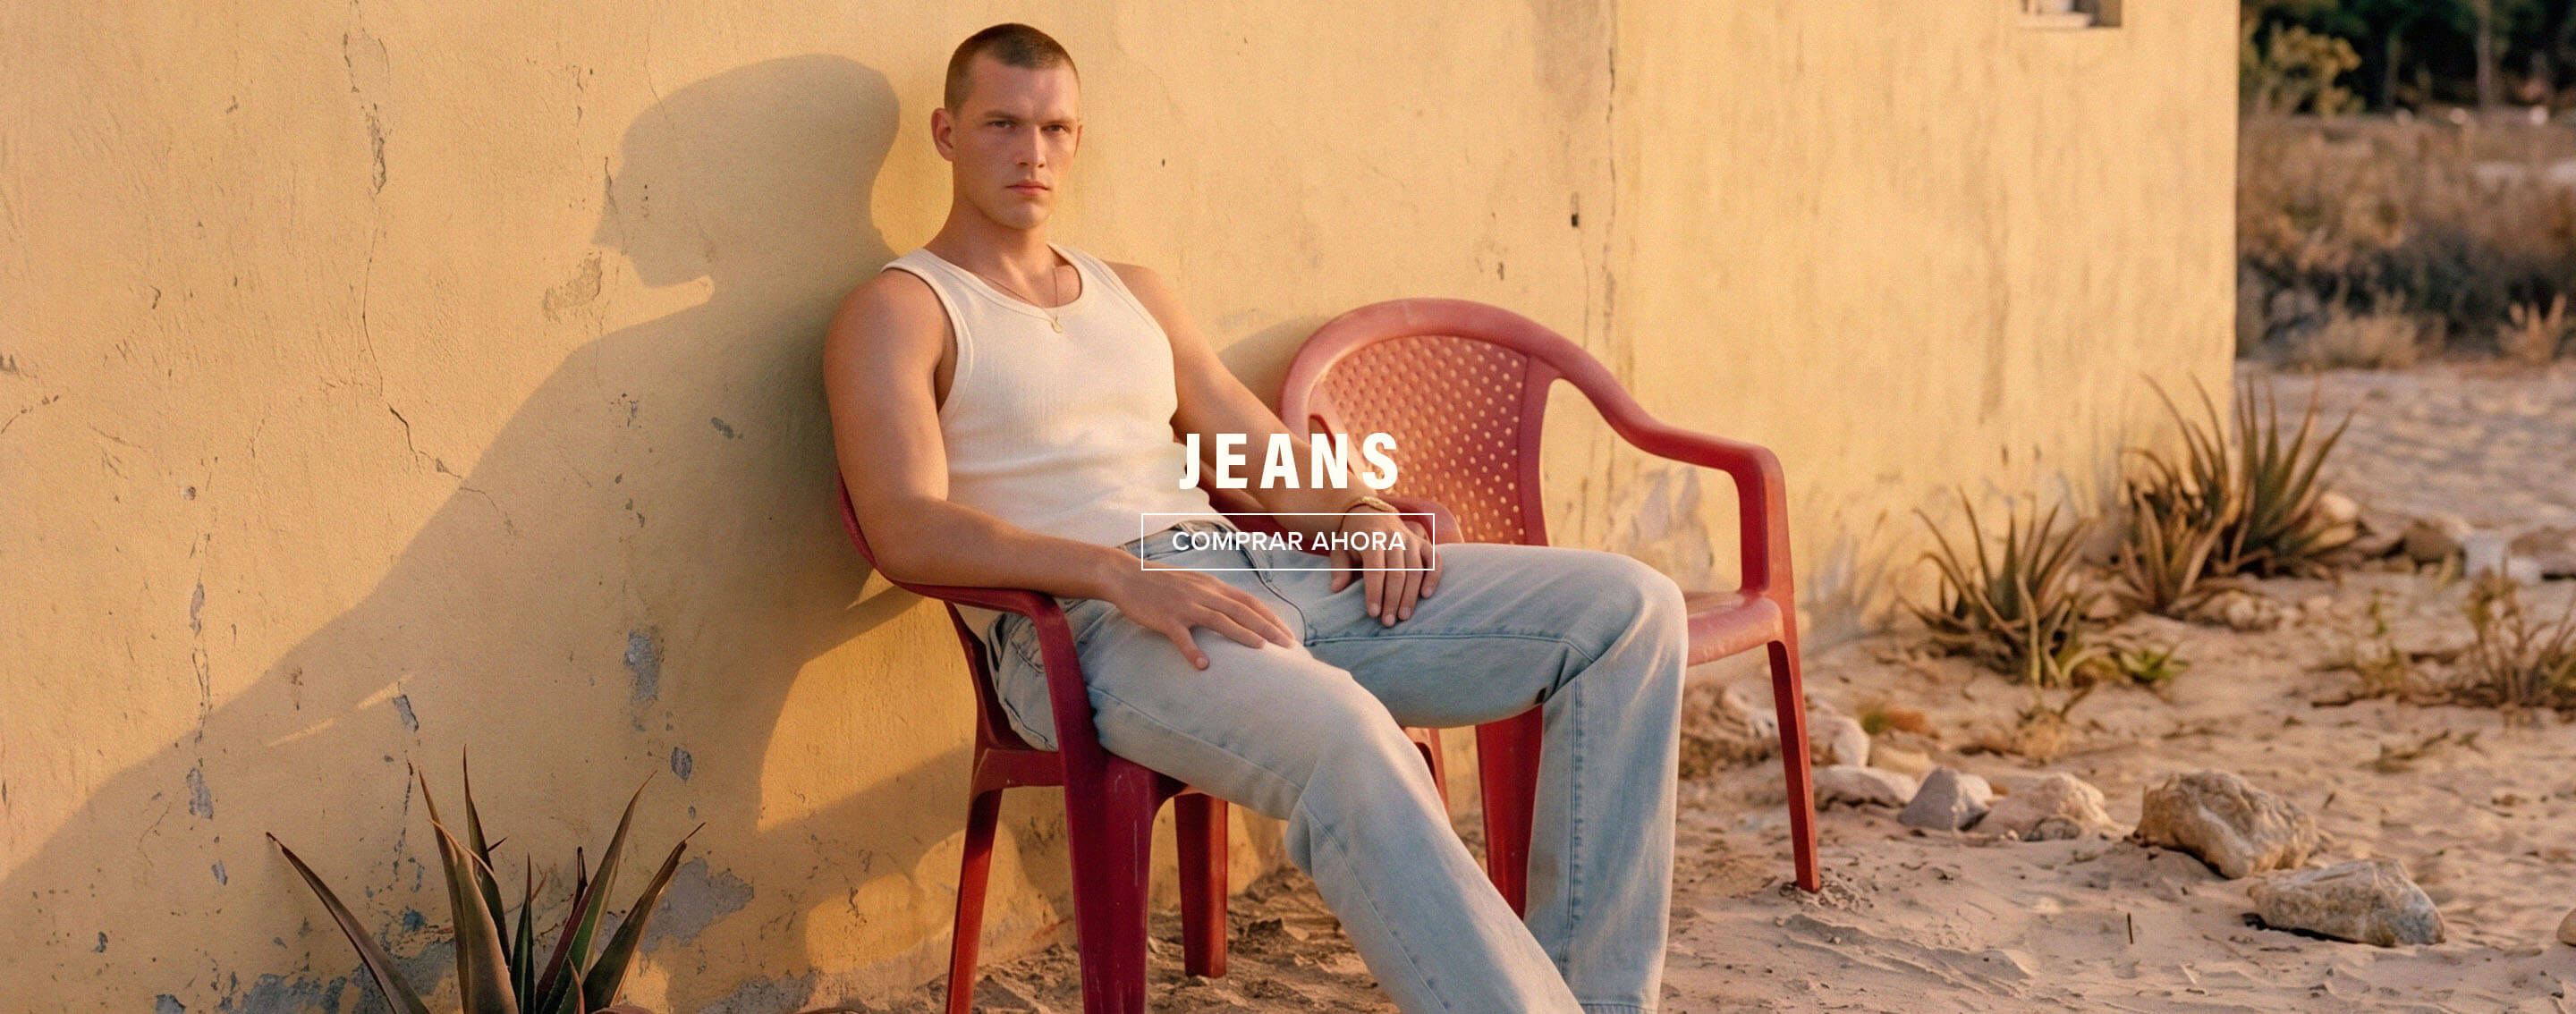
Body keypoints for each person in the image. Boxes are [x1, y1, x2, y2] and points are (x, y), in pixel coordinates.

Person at [821, 22, 1687, 1014]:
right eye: (1003, 125)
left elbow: (1257, 455)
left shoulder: (1133, 293)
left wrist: (1359, 514)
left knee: (1630, 608)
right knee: (1350, 740)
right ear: (946, 132)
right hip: (1097, 629)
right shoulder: (903, 309)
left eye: (1057, 129)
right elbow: (906, 527)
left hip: (1265, 578)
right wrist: (1113, 574)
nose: (1033, 154)